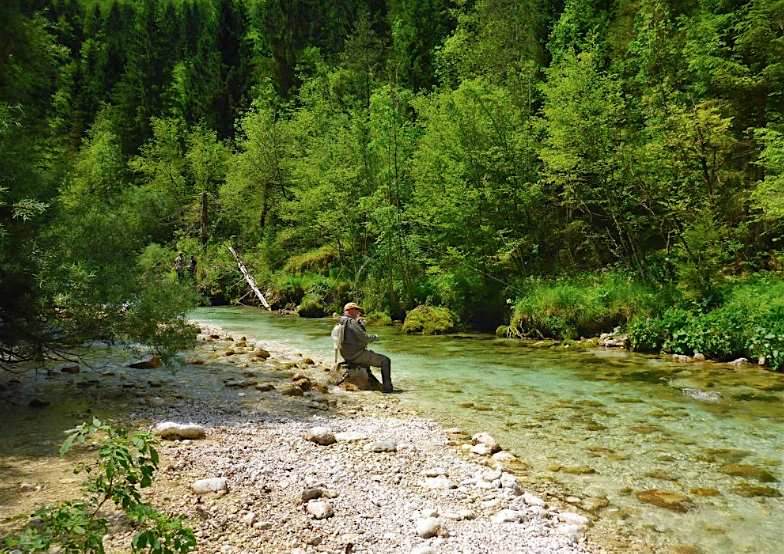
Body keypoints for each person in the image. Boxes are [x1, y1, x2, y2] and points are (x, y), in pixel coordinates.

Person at [337, 302, 393, 393]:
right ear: (349, 310)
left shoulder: (340, 321)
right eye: (356, 310)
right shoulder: (351, 322)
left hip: (346, 354)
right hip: (356, 354)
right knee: (385, 361)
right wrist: (376, 337)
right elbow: (364, 338)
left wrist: (361, 326)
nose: (358, 312)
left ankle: (371, 382)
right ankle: (388, 389)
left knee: (370, 359)